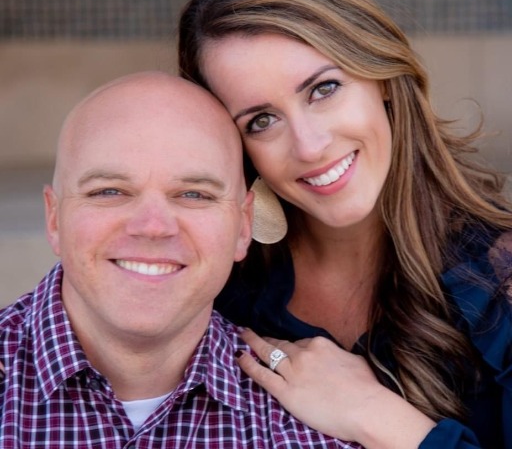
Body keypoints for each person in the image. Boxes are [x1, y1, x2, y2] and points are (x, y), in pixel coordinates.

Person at [178, 0, 512, 449]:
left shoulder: (500, 278)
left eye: (324, 89)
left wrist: (376, 417)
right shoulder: (221, 291)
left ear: (381, 77)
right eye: (261, 121)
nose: (309, 146)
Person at [0, 71, 362, 448]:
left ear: (243, 226)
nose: (153, 227)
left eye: (194, 195)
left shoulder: (317, 425)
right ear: (54, 218)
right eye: (109, 191)